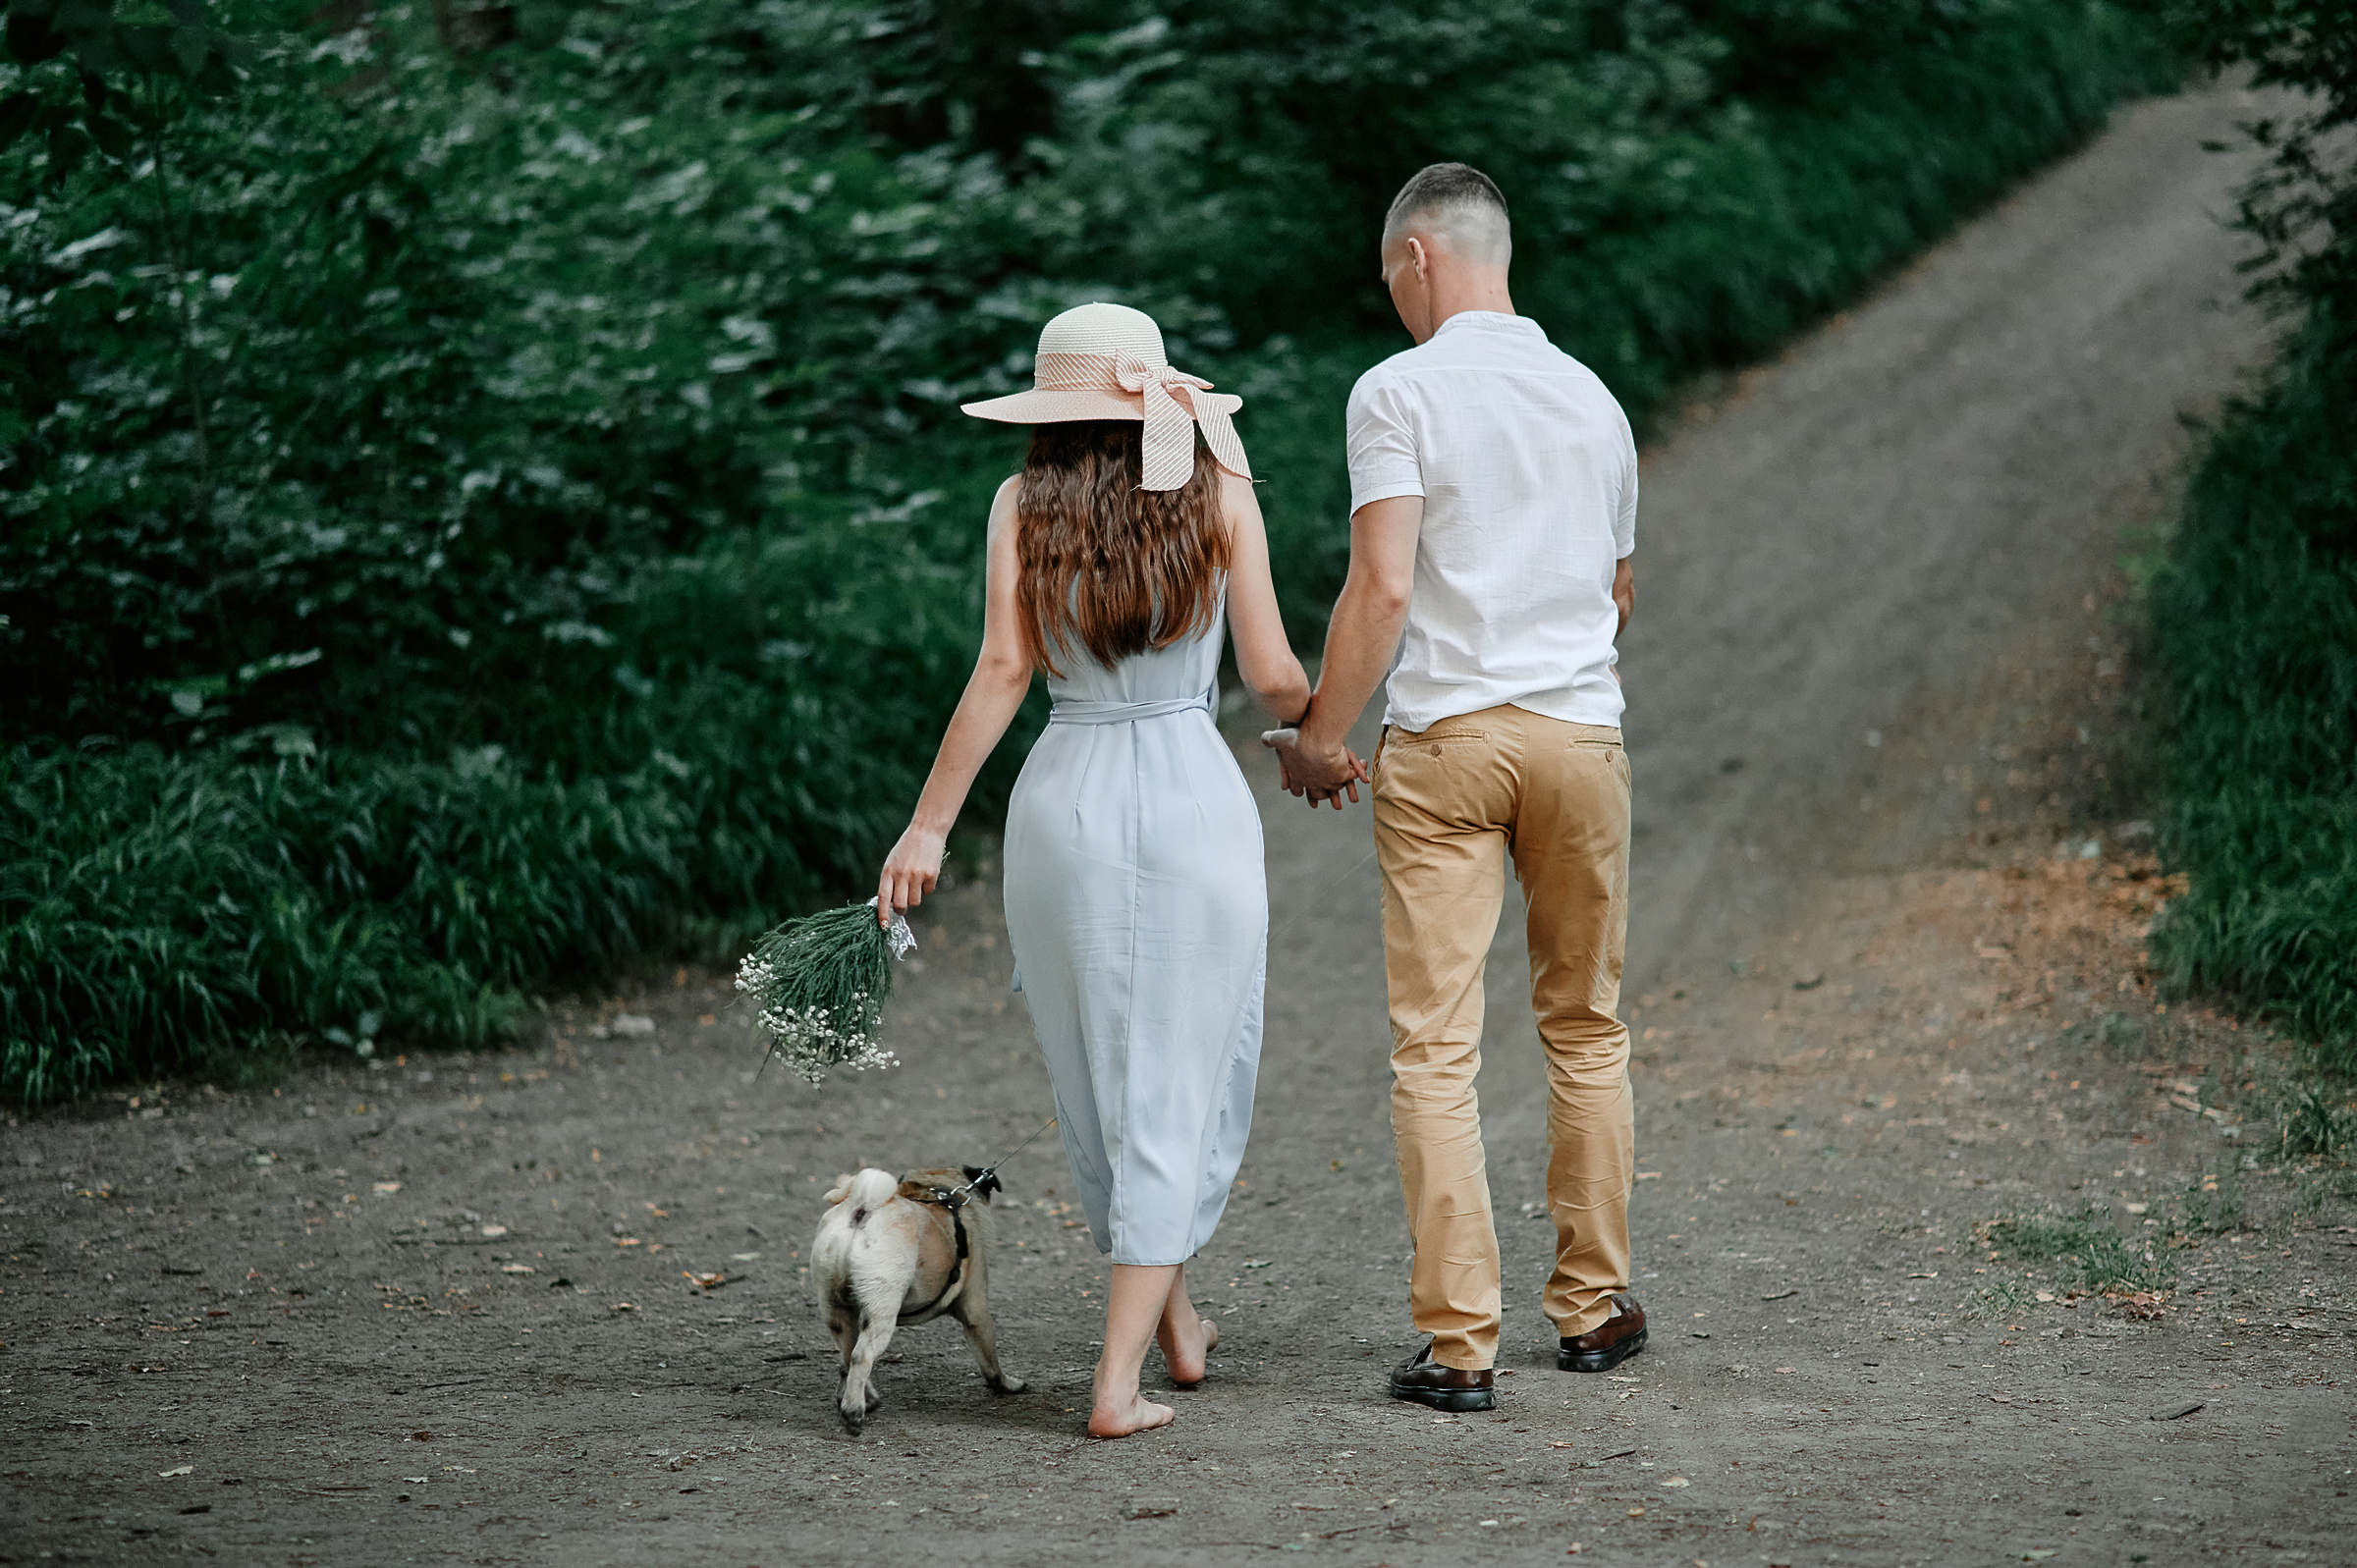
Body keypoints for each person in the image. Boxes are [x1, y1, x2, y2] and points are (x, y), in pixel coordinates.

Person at [875, 301, 1319, 1437]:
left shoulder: (1020, 503)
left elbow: (1001, 667)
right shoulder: (1220, 487)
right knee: (1175, 1081)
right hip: (1190, 801)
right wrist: (1329, 731)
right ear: (1157, 393)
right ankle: (1114, 1387)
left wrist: (927, 827)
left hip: (1062, 805)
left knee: (1104, 1086)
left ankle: (1175, 1330)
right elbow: (1270, 671)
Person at [1267, 163, 1645, 1412]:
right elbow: (1617, 593)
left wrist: (1325, 734)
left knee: (1437, 1049)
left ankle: (1460, 1344)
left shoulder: (1397, 393)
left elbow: (1381, 588)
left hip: (1447, 744)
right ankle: (1593, 1311)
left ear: (1420, 256)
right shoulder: (1595, 400)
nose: (1391, 301)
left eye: (1390, 278)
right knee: (1585, 1026)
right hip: (1581, 740)